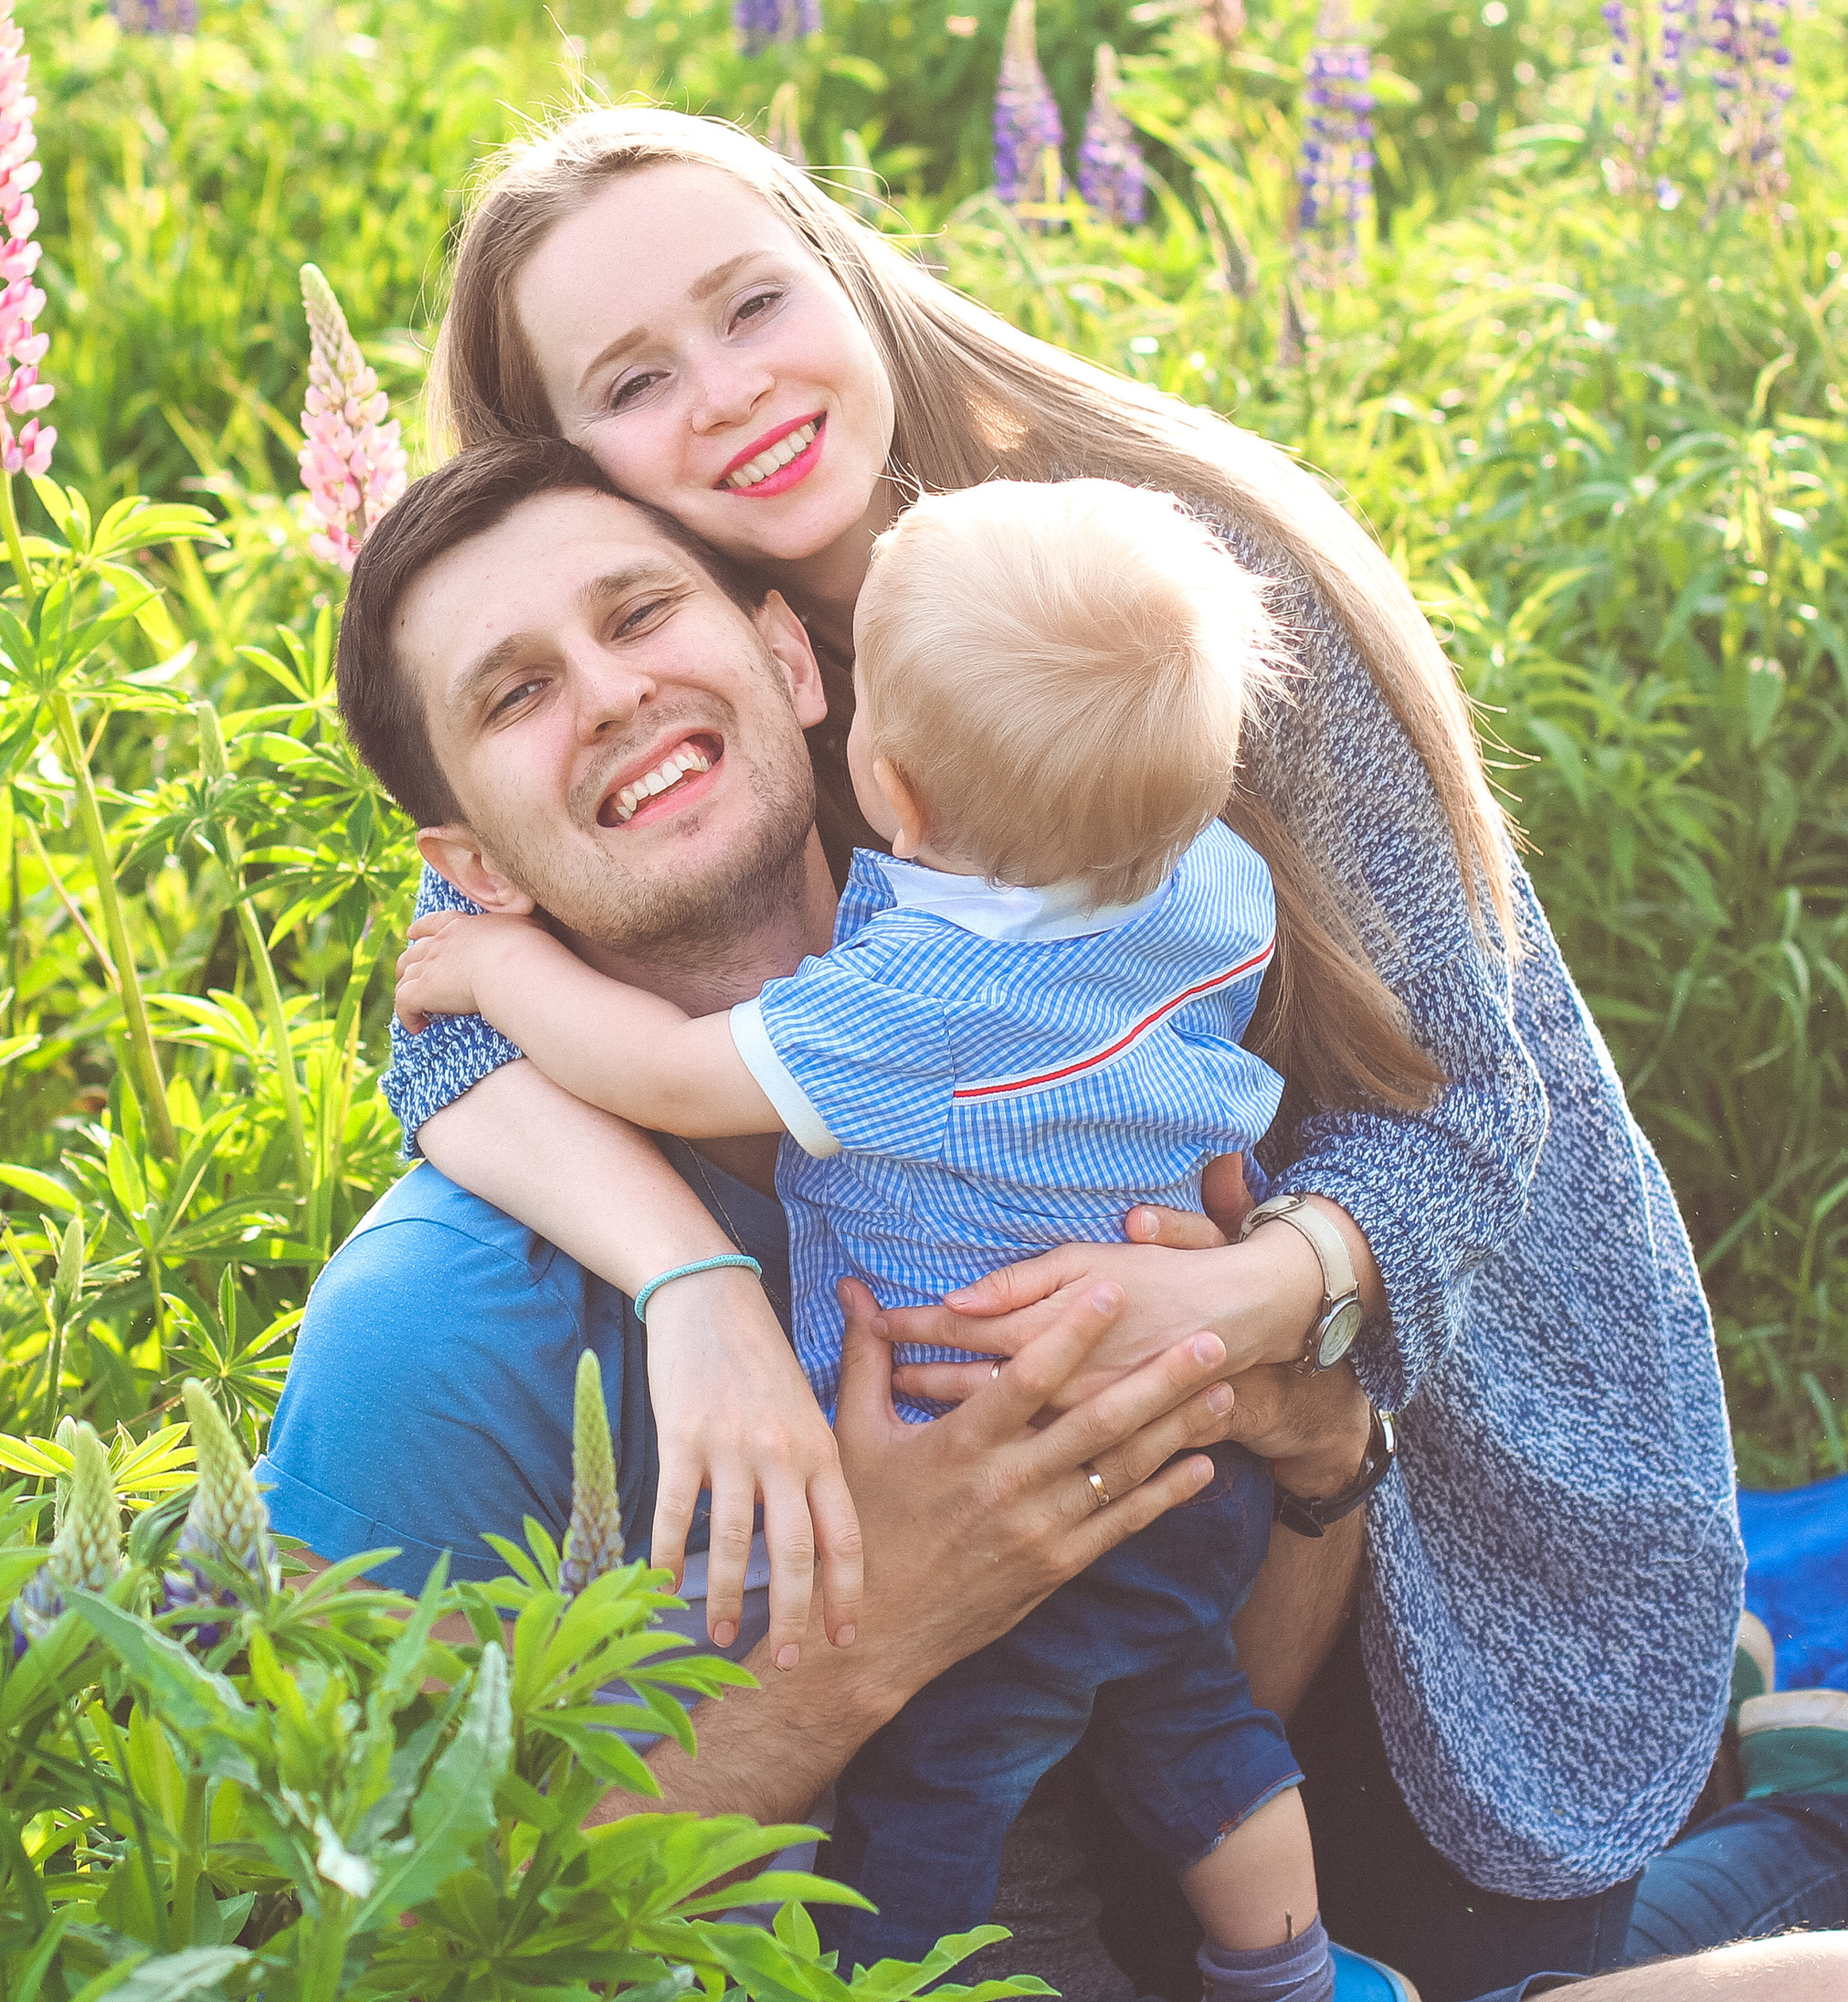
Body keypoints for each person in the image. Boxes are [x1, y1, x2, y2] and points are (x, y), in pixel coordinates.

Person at [375, 103, 1745, 1999]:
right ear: (558, 454)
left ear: (845, 274)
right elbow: (444, 1030)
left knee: (1453, 1923)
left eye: (752, 301)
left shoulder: (1156, 590)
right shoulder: (694, 685)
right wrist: (689, 1278)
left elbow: (1477, 1113)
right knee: (1135, 1869)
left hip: (1449, 1446)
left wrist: (1251, 1299)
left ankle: (1785, 1790)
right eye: (630, 377)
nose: (725, 393)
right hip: (1112, 1488)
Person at [392, 476, 1349, 1991]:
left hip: (1068, 1494)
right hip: (1181, 1520)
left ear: (810, 679)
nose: (614, 692)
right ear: (471, 863)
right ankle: (1291, 1968)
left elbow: (661, 1067)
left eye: (641, 613)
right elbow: (398, 1932)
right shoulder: (1203, 887)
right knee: (1192, 1726)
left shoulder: (900, 1010)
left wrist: (489, 975)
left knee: (929, 1817)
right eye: (517, 692)